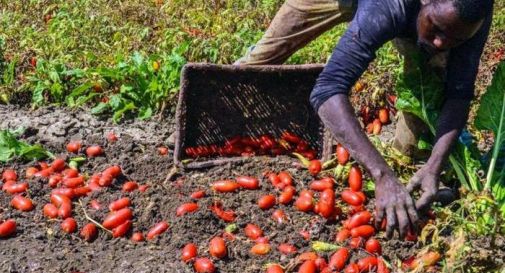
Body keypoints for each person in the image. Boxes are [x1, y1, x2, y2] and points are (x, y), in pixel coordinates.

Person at [236, 0, 494, 238]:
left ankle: (414, 164)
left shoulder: (471, 14)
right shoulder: (389, 6)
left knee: (430, 86)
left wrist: (435, 166)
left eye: (455, 37)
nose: (441, 42)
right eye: (436, 29)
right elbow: (328, 89)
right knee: (267, 53)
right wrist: (382, 175)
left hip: (419, 14)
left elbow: (458, 95)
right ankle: (234, 100)